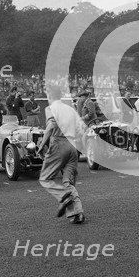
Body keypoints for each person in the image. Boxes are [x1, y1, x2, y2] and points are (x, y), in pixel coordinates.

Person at [38, 85, 85, 224]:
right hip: (72, 145)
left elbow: (51, 126)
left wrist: (41, 146)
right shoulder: (70, 109)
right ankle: (78, 213)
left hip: (59, 143)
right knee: (68, 182)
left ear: (50, 96)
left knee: (45, 179)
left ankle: (64, 196)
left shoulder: (51, 108)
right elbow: (80, 129)